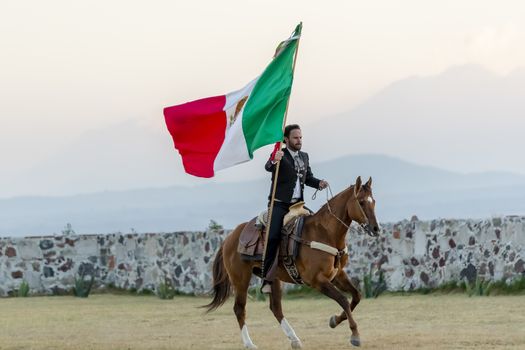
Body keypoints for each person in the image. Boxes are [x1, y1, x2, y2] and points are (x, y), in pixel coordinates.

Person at [261, 124, 328, 293]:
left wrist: (318, 183)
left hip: (298, 205)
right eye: (295, 138)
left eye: (300, 137)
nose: (299, 141)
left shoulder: (304, 156)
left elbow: (308, 178)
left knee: (318, 226)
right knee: (273, 236)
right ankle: (266, 279)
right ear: (286, 139)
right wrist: (273, 160)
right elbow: (268, 167)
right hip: (280, 204)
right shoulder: (280, 154)